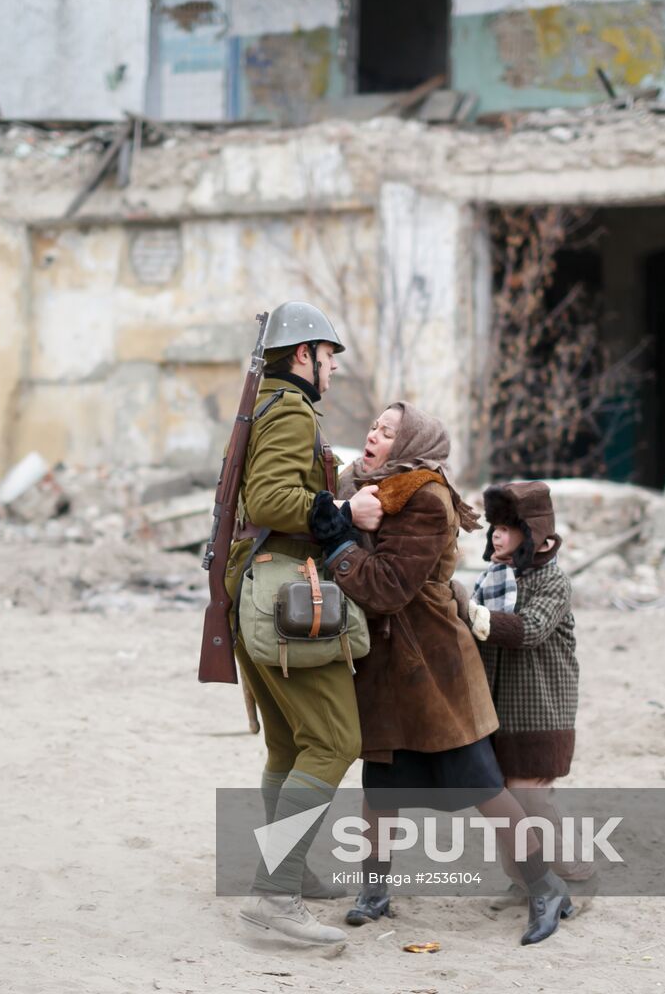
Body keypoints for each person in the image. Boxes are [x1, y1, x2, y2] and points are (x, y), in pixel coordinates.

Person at [311, 402, 574, 946]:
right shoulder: (365, 488)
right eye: (374, 425)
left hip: (433, 664)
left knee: (481, 784)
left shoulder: (426, 499)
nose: (373, 434)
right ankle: (375, 892)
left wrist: (336, 542)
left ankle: (546, 887)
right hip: (385, 666)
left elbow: (386, 587)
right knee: (380, 785)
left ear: (411, 446)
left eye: (387, 431)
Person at [226, 300, 383, 947]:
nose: (334, 371)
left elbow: (274, 486)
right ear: (303, 356)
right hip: (281, 591)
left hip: (253, 589)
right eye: (329, 358)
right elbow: (269, 500)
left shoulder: (267, 402)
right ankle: (275, 892)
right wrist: (346, 508)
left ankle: (287, 872)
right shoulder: (289, 407)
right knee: (336, 740)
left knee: (289, 747)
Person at [464, 481, 590, 897]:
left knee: (530, 798)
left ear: (534, 536)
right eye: (494, 526)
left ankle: (576, 877)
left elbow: (530, 629)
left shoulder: (551, 583)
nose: (496, 533)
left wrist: (469, 614)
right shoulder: (493, 579)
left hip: (539, 711)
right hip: (496, 712)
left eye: (507, 526)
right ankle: (526, 882)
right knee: (504, 805)